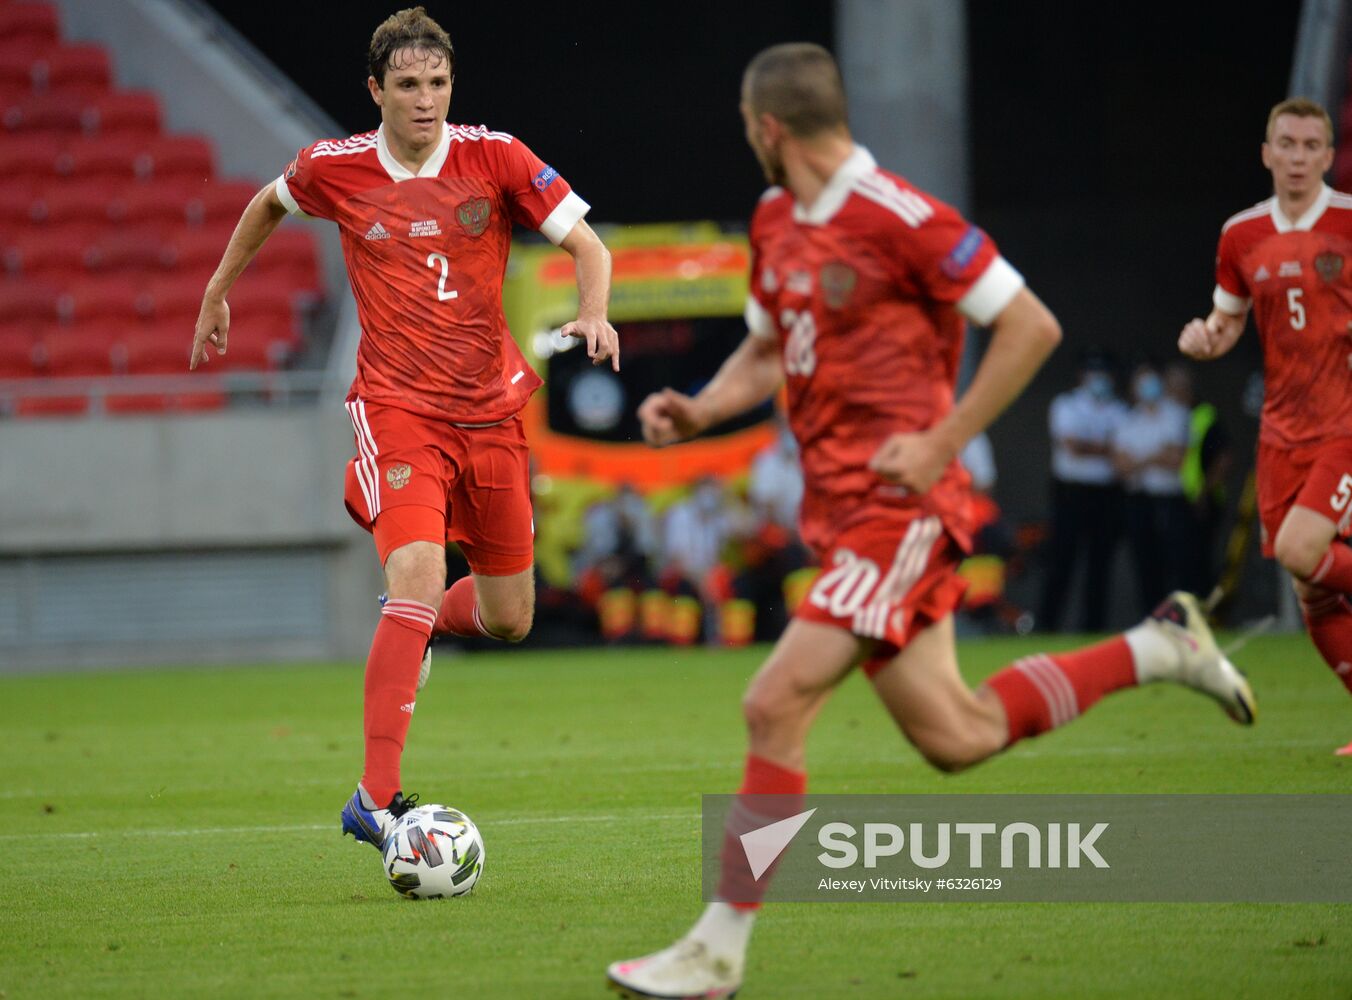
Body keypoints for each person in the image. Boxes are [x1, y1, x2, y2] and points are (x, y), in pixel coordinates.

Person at [607, 42, 1255, 1000]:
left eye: (748, 127)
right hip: (842, 514)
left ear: (768, 127)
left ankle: (716, 950)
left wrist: (944, 436)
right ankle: (1159, 650)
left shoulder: (905, 219)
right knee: (959, 734)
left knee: (772, 703)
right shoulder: (776, 217)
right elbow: (766, 346)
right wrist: (702, 409)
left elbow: (1031, 324)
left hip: (902, 508)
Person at [189, 8, 619, 844]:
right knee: (420, 577)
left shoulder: (496, 156)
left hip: (491, 413)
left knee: (509, 618)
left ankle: (410, 624)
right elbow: (266, 204)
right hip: (396, 408)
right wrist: (218, 291)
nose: (426, 101)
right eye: (410, 86)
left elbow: (588, 247)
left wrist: (594, 312)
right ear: (376, 90)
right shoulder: (335, 168)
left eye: (439, 84)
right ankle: (375, 801)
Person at [1180, 96, 1352, 757]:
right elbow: (1226, 324)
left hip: (1344, 424)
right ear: (1268, 154)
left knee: (1305, 552)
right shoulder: (1241, 235)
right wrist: (1204, 338)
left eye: (1313, 145)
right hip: (1283, 432)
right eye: (1289, 144)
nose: (1300, 156)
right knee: (1309, 587)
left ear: (1329, 156)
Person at [1037, 352, 1127, 631]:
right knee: (1062, 560)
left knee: (1099, 565)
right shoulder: (1067, 404)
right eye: (1092, 371)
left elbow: (1123, 455)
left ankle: (1092, 628)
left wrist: (1098, 449)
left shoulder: (1120, 410)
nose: (1098, 379)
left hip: (1106, 495)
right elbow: (1071, 446)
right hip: (1069, 493)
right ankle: (1047, 626)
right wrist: (1106, 448)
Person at [1112, 361, 1191, 615]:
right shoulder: (1127, 420)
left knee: (1177, 562)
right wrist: (1157, 454)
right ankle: (1153, 620)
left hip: (1170, 499)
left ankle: (1181, 620)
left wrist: (1140, 459)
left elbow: (1175, 459)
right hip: (1140, 500)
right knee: (1146, 563)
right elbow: (1122, 466)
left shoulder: (1176, 414)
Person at [1165, 362, 1232, 596]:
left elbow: (1222, 459)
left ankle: (1205, 612)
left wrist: (1204, 492)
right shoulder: (1170, 416)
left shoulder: (1204, 415)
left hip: (1202, 500)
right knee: (1177, 562)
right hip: (1177, 499)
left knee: (1199, 560)